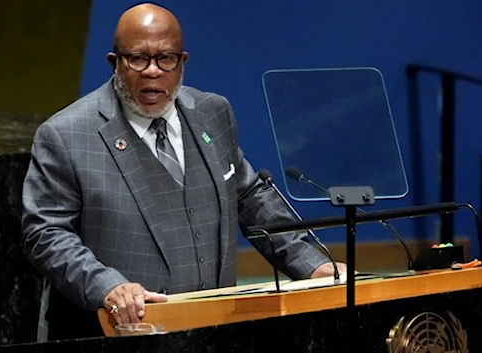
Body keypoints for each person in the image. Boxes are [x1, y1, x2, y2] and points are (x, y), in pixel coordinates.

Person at [21, 2, 347, 340]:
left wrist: (312, 264)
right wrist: (107, 286)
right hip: (115, 334)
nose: (152, 71)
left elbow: (249, 196)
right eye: (137, 59)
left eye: (165, 59)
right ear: (114, 62)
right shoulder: (67, 134)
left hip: (213, 329)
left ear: (182, 62)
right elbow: (45, 234)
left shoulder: (212, 112)